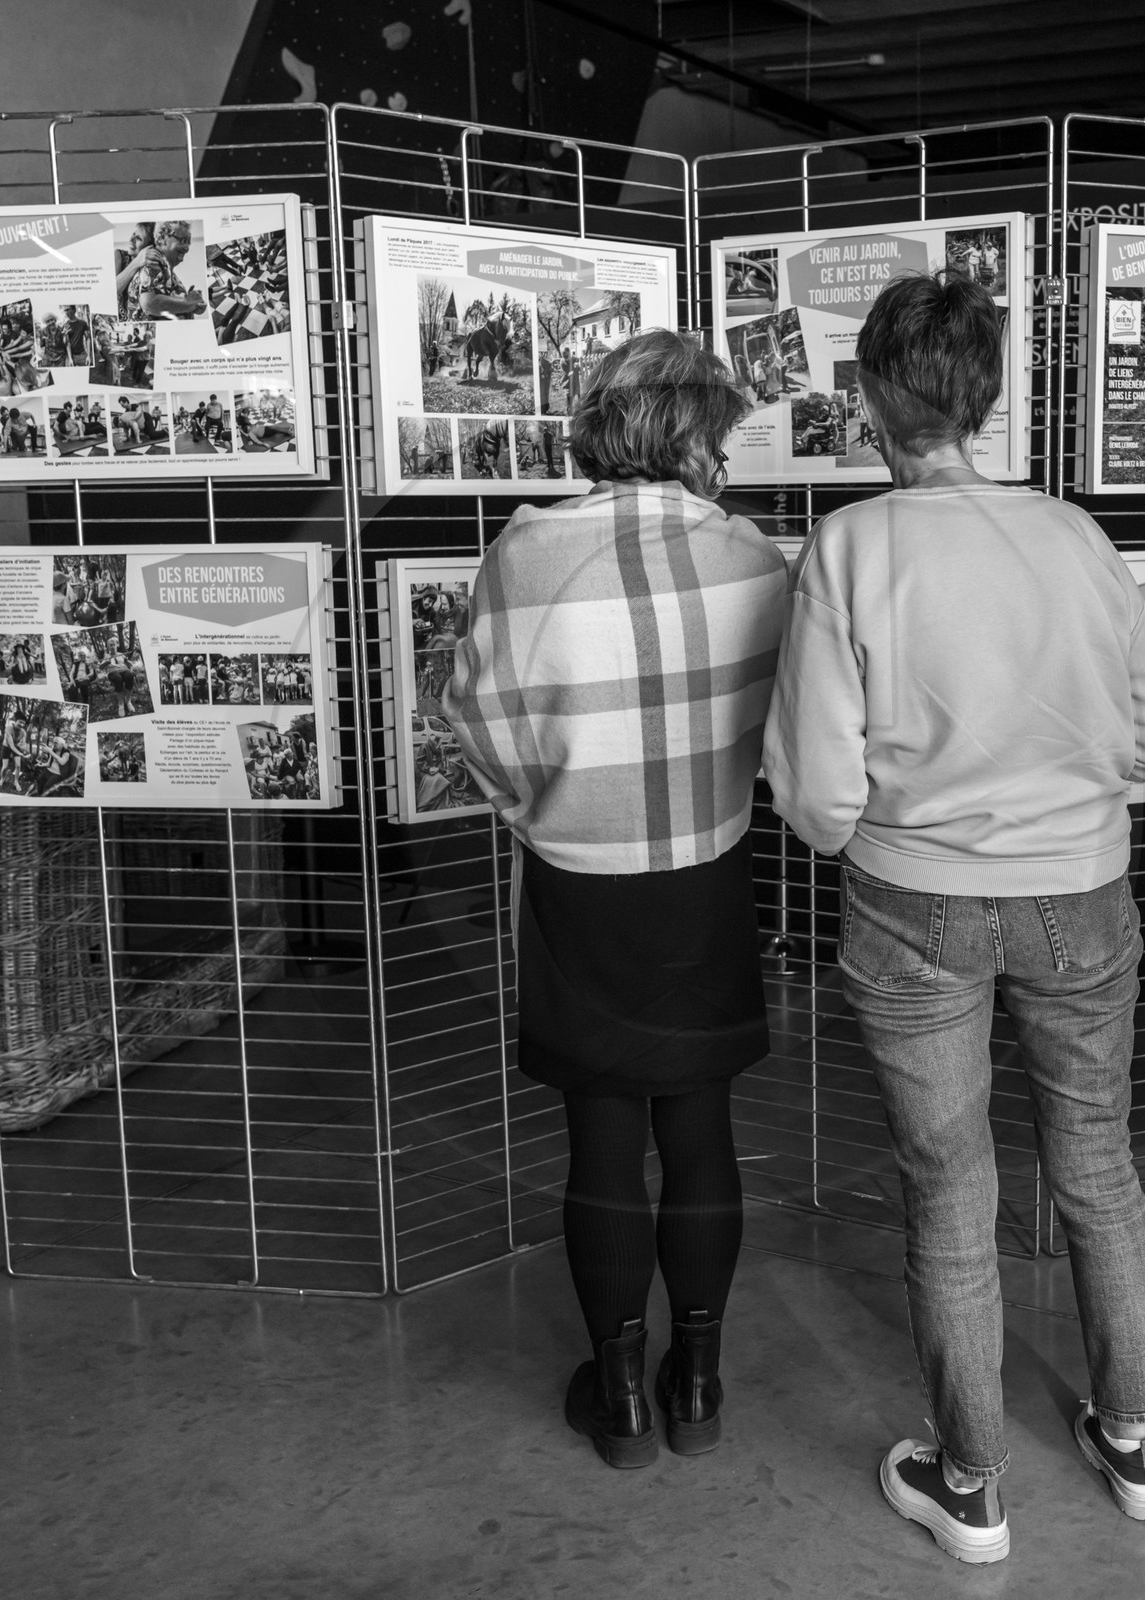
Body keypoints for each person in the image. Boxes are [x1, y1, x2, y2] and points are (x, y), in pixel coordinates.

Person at [762, 269, 1145, 1565]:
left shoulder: (849, 547)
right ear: (989, 396)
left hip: (912, 905)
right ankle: (1137, 1444)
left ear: (869, 399)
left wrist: (901, 819)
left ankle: (973, 1487)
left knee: (949, 1191)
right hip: (1082, 893)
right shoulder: (1076, 536)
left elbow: (817, 797)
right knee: (1097, 1164)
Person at [442, 329, 787, 1471]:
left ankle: (623, 1395)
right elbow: (782, 718)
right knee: (700, 1128)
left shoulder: (524, 552)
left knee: (599, 1139)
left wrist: (539, 806)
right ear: (699, 435)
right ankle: (699, 1380)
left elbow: (475, 721)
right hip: (707, 870)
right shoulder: (754, 555)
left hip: (578, 880)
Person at [125, 221, 206, 320]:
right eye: (182, 240)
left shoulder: (165, 268)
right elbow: (150, 303)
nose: (187, 248)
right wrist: (188, 303)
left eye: (188, 242)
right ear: (161, 238)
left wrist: (194, 304)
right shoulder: (153, 262)